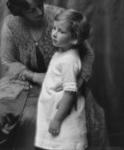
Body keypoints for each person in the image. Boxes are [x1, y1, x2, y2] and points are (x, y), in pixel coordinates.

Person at [0, 0, 106, 150]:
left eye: (39, 4)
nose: (39, 11)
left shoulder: (59, 17)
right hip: (21, 82)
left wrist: (79, 83)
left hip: (59, 84)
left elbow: (88, 53)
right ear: (19, 11)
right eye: (30, 9)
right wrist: (35, 76)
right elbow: (8, 61)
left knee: (36, 118)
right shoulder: (11, 24)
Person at [35, 9, 90, 150]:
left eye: (61, 31)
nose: (54, 33)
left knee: (63, 144)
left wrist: (57, 119)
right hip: (54, 109)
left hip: (62, 117)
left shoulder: (68, 60)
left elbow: (70, 93)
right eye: (54, 28)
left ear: (74, 38)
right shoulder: (62, 52)